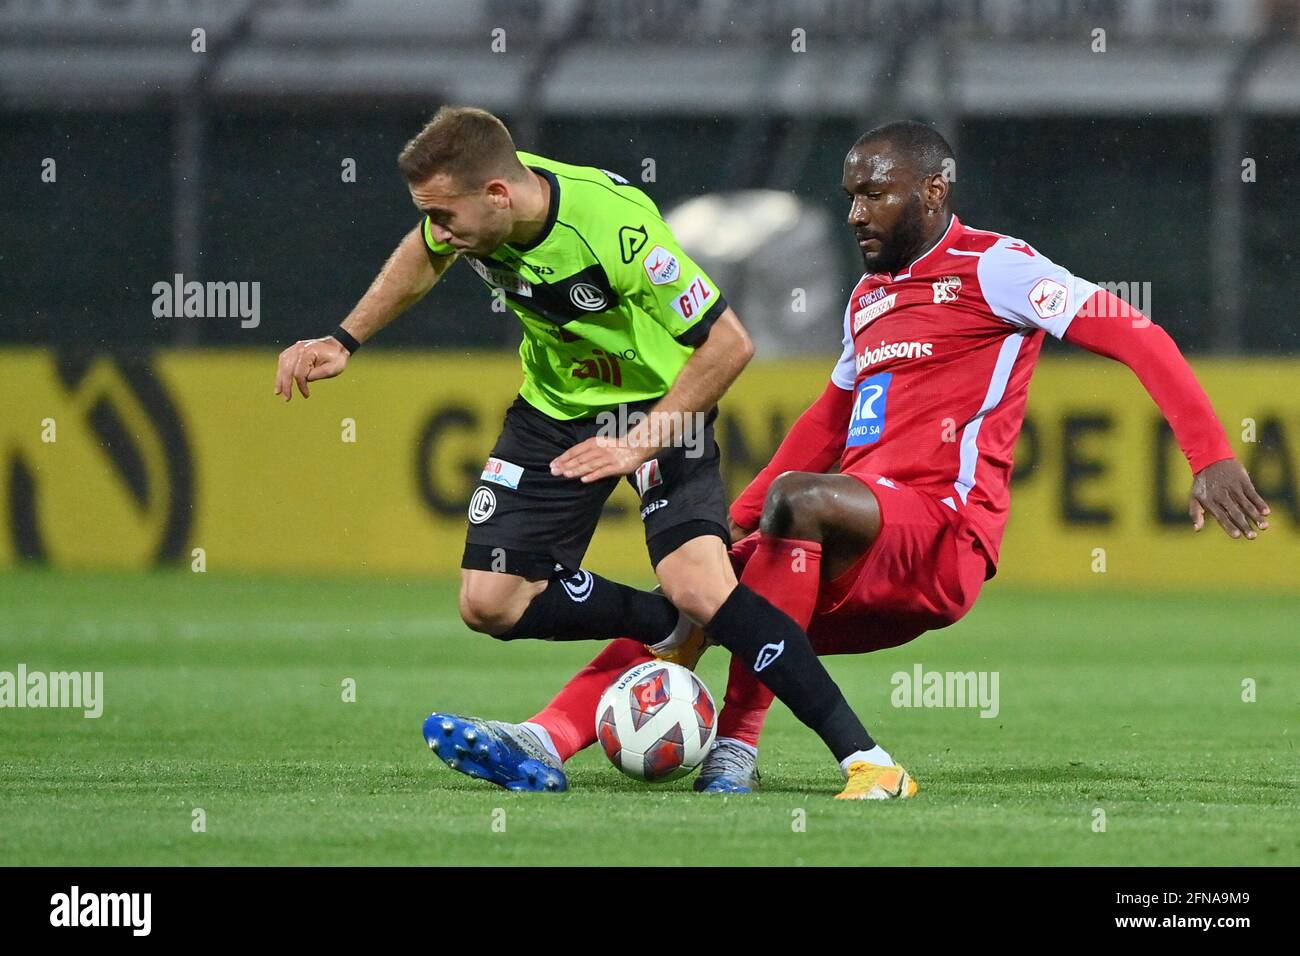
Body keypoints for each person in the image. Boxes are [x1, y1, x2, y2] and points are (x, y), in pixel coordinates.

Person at [430, 120, 1270, 799]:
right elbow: (828, 423)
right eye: (849, 198)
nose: (856, 213)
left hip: (941, 535)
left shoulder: (996, 267)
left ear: (933, 191)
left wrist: (1207, 452)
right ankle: (545, 739)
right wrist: (735, 523)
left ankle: (736, 750)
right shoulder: (869, 299)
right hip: (846, 536)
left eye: (876, 193)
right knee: (703, 593)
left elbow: (1134, 331)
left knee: (798, 503)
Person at [274, 106, 892, 796]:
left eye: (446, 217)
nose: (439, 232)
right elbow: (424, 252)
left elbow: (729, 345)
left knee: (706, 587)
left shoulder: (614, 229)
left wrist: (638, 444)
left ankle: (865, 759)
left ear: (498, 195)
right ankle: (664, 623)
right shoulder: (467, 219)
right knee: (490, 604)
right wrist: (344, 339)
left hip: (658, 407)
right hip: (553, 411)